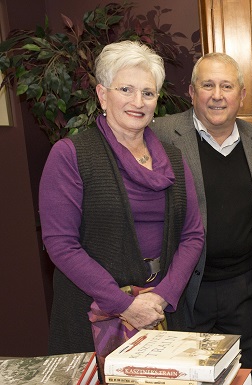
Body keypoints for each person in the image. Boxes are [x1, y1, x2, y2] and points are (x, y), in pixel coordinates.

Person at [39, 40, 204, 354]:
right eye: (126, 89)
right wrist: (124, 304)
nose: (137, 101)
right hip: (92, 313)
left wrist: (163, 295)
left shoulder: (174, 158)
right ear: (103, 95)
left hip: (162, 310)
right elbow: (60, 244)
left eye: (148, 92)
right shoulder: (70, 155)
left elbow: (193, 234)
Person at [151, 52, 252, 383]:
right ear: (191, 91)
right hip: (186, 288)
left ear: (242, 95)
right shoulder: (161, 134)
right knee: (187, 376)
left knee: (241, 376)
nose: (217, 95)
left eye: (227, 86)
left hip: (242, 289)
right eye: (208, 85)